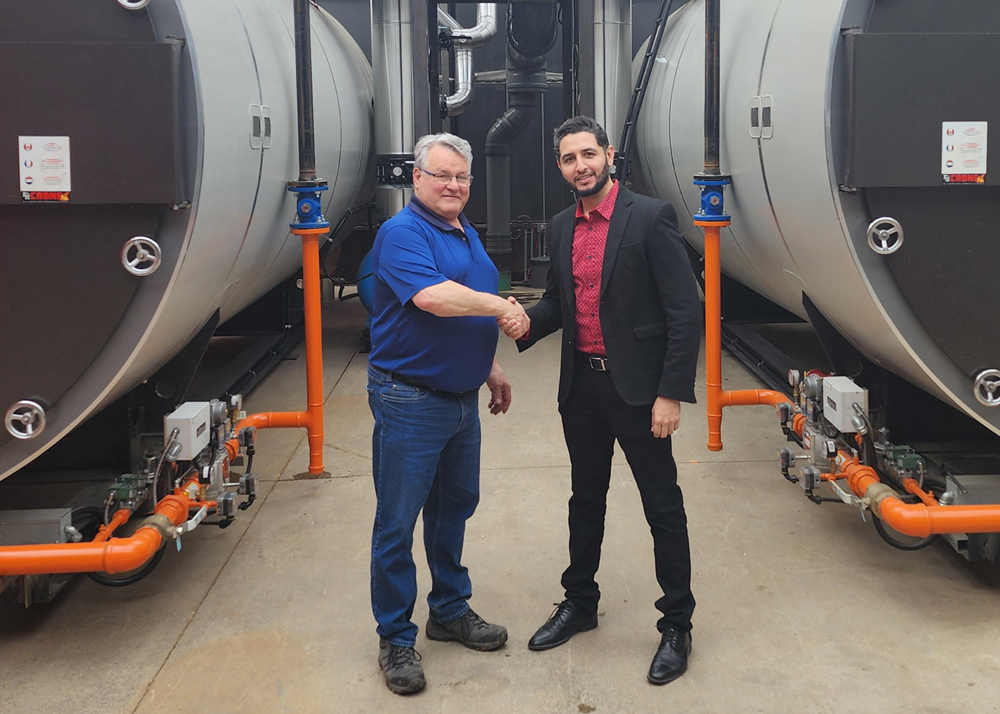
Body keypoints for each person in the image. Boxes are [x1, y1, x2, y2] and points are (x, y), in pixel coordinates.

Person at [509, 115, 701, 685]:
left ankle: (677, 624)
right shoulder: (561, 224)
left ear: (608, 154)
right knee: (585, 499)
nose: (580, 166)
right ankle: (580, 602)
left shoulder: (650, 216)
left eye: (588, 154)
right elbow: (558, 302)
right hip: (583, 390)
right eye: (569, 159)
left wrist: (670, 392)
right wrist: (523, 320)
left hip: (640, 392)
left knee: (661, 507)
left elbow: (684, 311)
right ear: (560, 167)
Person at [366, 132, 529, 695]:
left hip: (461, 401)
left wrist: (490, 367)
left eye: (462, 177)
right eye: (442, 175)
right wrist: (503, 306)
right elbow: (434, 298)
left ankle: (449, 610)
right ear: (417, 178)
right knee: (398, 521)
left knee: (453, 509)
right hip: (410, 400)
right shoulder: (402, 233)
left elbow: (464, 307)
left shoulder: (463, 230)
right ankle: (396, 637)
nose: (453, 185)